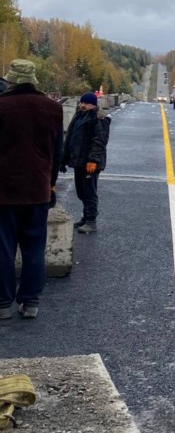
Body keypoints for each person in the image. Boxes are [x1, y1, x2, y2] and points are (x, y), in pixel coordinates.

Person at [0, 59, 63, 320]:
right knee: (34, 247)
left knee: (3, 247)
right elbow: (57, 151)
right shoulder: (52, 108)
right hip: (38, 187)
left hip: (4, 189)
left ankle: (3, 303)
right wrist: (50, 183)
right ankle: (31, 301)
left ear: (11, 80)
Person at [61, 92, 110, 234]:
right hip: (79, 161)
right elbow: (70, 138)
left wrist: (93, 160)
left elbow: (99, 141)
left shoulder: (99, 118)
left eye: (86, 103)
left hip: (90, 163)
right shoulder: (78, 115)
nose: (82, 105)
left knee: (89, 192)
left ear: (94, 104)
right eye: (81, 102)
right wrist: (64, 160)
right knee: (81, 191)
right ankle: (85, 217)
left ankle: (91, 221)